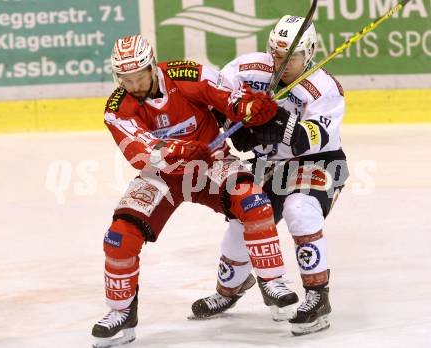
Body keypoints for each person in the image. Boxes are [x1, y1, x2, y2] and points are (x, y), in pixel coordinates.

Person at [91, 34, 298, 348]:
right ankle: (121, 314)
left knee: (255, 204)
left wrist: (250, 107)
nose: (132, 85)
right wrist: (180, 149)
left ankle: (273, 282)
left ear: (151, 66)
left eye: (138, 77)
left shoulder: (187, 74)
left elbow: (229, 97)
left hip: (211, 163)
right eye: (125, 79)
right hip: (161, 176)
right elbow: (139, 151)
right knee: (120, 237)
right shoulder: (117, 107)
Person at [190, 15, 349, 336]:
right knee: (243, 217)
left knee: (299, 209)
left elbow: (306, 139)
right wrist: (238, 118)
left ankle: (318, 296)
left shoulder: (325, 88)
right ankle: (229, 289)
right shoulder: (247, 67)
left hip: (317, 161)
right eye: (276, 55)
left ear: (310, 52)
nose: (281, 63)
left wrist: (270, 116)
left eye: (291, 58)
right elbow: (217, 100)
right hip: (269, 164)